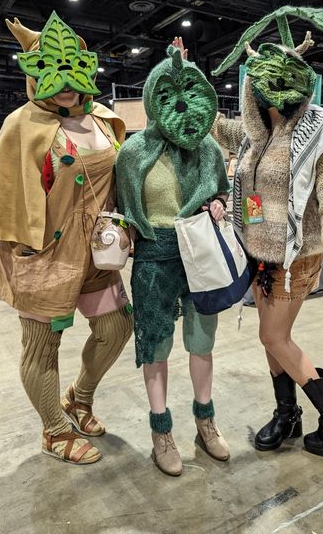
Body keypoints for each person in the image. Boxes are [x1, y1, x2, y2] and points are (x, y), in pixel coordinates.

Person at [194, 6, 323, 457]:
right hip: (260, 256)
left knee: (274, 337)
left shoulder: (318, 132)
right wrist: (185, 75)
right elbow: (213, 124)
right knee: (271, 337)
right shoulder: (254, 133)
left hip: (296, 258)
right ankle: (286, 415)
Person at [0, 11, 133, 464]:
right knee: (41, 345)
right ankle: (53, 428)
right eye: (51, 73)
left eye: (72, 71)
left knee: (117, 327)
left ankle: (79, 397)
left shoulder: (106, 121)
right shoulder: (22, 124)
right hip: (42, 253)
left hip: (97, 252)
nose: (64, 84)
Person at [116, 45, 231, 476]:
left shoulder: (208, 151)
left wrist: (218, 202)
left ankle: (205, 421)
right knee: (156, 347)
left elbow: (220, 190)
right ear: (151, 97)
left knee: (202, 343)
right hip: (153, 258)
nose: (181, 104)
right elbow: (126, 210)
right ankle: (161, 431)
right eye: (167, 95)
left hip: (200, 255)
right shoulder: (133, 153)